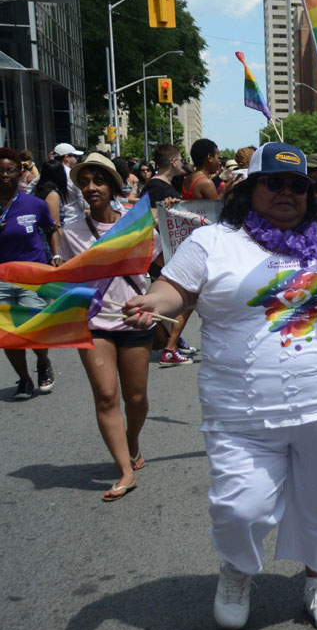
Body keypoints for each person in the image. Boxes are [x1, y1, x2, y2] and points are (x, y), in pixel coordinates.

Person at [122, 142, 317, 630]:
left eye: (299, 185)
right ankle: (238, 571)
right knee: (240, 507)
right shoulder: (212, 242)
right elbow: (174, 290)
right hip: (240, 412)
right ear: (248, 188)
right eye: (275, 182)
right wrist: (150, 302)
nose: (288, 193)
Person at [61, 154, 156, 501]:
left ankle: (132, 440)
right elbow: (69, 281)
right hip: (92, 324)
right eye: (84, 182)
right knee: (105, 395)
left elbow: (157, 265)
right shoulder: (71, 234)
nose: (90, 188)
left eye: (98, 181)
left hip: (133, 319)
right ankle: (125, 470)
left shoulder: (137, 224)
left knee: (136, 397)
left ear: (112, 185)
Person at [0, 147, 62, 399]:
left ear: (20, 173)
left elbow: (50, 228)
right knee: (8, 334)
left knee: (35, 330)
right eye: (0, 170)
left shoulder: (34, 204)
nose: (4, 174)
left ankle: (43, 362)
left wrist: (55, 255)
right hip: (1, 279)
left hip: (31, 276)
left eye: (10, 170)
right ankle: (24, 379)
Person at [143, 144, 196, 366]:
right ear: (174, 162)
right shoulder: (158, 188)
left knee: (182, 299)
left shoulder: (159, 186)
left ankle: (174, 340)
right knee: (187, 299)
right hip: (161, 254)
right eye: (180, 159)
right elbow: (149, 222)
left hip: (164, 253)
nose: (182, 163)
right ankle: (169, 346)